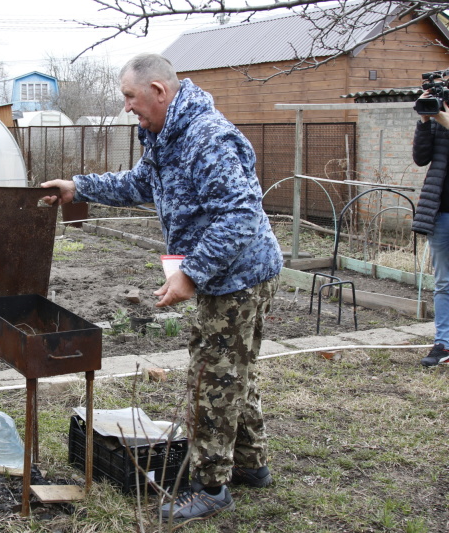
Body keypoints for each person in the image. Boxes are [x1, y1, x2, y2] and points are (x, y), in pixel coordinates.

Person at [42, 53, 283, 525]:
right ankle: (251, 465)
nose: (127, 107)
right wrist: (79, 187)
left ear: (158, 90)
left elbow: (239, 215)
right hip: (227, 273)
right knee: (233, 369)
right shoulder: (165, 136)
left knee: (211, 378)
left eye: (131, 97)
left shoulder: (207, 137)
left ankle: (211, 486)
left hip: (238, 276)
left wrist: (191, 274)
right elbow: (140, 182)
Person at [412, 93, 449, 367]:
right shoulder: (437, 115)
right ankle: (443, 344)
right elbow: (421, 158)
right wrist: (425, 120)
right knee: (444, 284)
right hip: (441, 213)